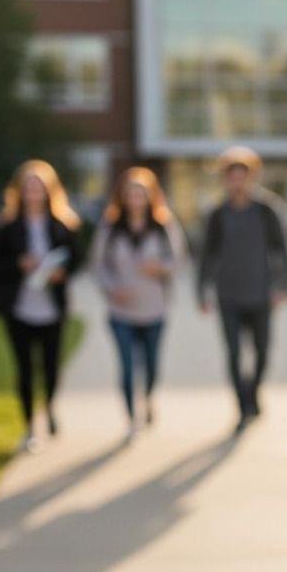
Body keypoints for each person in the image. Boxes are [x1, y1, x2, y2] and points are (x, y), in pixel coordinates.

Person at [197, 147, 287, 431]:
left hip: (261, 292)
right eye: (233, 177)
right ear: (226, 180)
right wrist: (201, 293)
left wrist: (282, 285)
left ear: (251, 178)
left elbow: (283, 250)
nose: (238, 182)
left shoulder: (267, 211)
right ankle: (242, 407)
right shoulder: (217, 214)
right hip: (227, 294)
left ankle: (253, 392)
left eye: (243, 176)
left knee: (263, 351)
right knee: (233, 353)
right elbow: (206, 255)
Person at [92, 167, 186, 439]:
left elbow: (179, 260)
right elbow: (97, 265)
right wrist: (111, 289)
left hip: (154, 308)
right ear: (122, 197)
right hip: (120, 309)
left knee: (152, 365)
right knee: (127, 366)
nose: (135, 199)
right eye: (130, 194)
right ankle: (132, 416)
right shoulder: (110, 228)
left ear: (150, 196)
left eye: (141, 194)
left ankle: (148, 398)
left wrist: (160, 268)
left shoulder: (163, 225)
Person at [0, 160, 81, 452]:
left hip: (52, 307)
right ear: (19, 191)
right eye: (28, 187)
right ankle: (30, 424)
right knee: (25, 369)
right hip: (19, 307)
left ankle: (51, 405)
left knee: (51, 366)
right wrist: (19, 264)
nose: (33, 193)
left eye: (39, 187)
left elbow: (76, 258)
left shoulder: (62, 225)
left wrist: (62, 273)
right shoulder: (7, 228)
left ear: (49, 191)